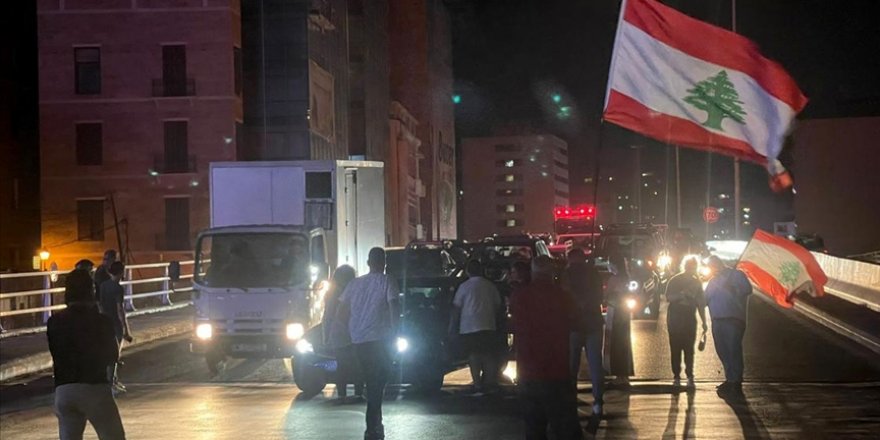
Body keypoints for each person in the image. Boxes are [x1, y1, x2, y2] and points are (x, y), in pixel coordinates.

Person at [510, 256, 583, 440]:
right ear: (552, 273)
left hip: (528, 371)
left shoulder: (520, 296)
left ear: (533, 272)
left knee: (534, 428)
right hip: (557, 371)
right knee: (564, 428)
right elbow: (577, 321)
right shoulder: (562, 296)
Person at [48, 270, 126, 440]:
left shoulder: (54, 321)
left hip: (64, 391)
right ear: (91, 292)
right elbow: (112, 355)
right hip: (94, 387)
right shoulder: (101, 321)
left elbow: (55, 352)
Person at [335, 248, 400, 440]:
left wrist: (350, 330)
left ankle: (374, 424)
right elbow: (394, 307)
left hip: (358, 341)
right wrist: (396, 333)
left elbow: (340, 313)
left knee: (372, 381)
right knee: (377, 382)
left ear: (367, 262)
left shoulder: (354, 284)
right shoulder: (388, 281)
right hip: (380, 339)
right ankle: (373, 426)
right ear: (384, 262)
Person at [563, 248, 605, 415]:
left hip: (573, 324)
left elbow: (564, 295)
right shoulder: (593, 273)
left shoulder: (566, 274)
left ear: (570, 258)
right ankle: (598, 400)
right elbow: (600, 296)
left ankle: (571, 397)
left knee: (572, 365)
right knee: (595, 364)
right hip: (593, 323)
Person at [452, 260, 503, 395]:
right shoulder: (490, 286)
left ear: (468, 271)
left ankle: (477, 385)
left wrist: (452, 326)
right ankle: (490, 383)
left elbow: (456, 308)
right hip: (488, 324)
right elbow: (498, 305)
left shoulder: (464, 287)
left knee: (474, 356)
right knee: (488, 355)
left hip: (469, 326)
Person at [704, 255, 753, 395]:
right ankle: (730, 378)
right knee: (722, 349)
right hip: (717, 320)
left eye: (712, 265)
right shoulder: (713, 281)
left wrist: (734, 288)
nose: (712, 269)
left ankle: (736, 380)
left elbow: (747, 289)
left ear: (718, 264)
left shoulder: (736, 275)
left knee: (733, 349)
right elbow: (705, 299)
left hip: (733, 319)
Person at [664, 256, 708, 389]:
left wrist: (704, 322)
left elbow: (701, 304)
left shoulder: (696, 283)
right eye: (691, 266)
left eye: (694, 266)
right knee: (677, 348)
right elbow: (668, 297)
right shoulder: (676, 280)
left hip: (687, 318)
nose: (692, 269)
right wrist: (683, 295)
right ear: (686, 266)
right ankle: (678, 376)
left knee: (688, 349)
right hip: (676, 319)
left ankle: (688, 376)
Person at [323, 265, 364, 402]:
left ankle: (342, 394)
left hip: (338, 332)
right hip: (355, 331)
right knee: (357, 364)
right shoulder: (356, 291)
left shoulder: (331, 294)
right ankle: (358, 392)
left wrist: (326, 336)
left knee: (341, 365)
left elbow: (327, 316)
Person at [98, 262, 131, 394]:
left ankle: (112, 381)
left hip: (104, 321)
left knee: (107, 353)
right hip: (115, 323)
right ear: (121, 272)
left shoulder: (103, 286)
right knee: (115, 355)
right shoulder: (118, 288)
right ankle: (111, 383)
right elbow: (120, 309)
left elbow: (100, 304)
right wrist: (126, 329)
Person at [605, 254, 634, 386]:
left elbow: (606, 295)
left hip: (615, 311)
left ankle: (618, 374)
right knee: (624, 342)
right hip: (624, 312)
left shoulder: (614, 279)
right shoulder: (626, 278)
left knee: (615, 342)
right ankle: (624, 374)